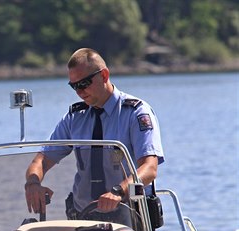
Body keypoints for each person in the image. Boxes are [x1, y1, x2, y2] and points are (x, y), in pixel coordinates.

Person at [25, 48, 164, 218]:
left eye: (83, 84)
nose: (79, 92)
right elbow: (41, 160)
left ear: (104, 76)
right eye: (74, 86)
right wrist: (32, 183)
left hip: (130, 215)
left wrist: (118, 192)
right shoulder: (74, 118)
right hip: (84, 216)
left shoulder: (136, 113)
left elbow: (149, 168)